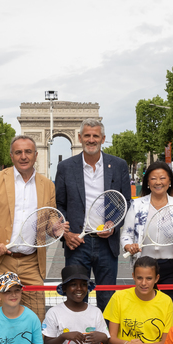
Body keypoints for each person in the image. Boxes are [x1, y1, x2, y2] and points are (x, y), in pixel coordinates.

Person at [0, 135, 63, 319]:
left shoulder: (47, 185)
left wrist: (56, 228)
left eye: (28, 152)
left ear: (36, 155)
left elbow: (50, 215)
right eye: (18, 152)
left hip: (31, 263)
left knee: (36, 320)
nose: (23, 156)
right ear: (11, 156)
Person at [55, 118, 130, 312]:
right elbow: (59, 205)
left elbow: (126, 203)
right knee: (77, 299)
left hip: (107, 243)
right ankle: (79, 340)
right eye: (87, 135)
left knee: (108, 299)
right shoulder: (65, 167)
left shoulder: (119, 165)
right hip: (77, 242)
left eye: (95, 136)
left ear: (103, 138)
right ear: (79, 138)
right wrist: (66, 233)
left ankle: (106, 341)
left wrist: (114, 225)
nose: (91, 139)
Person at [121, 161, 173, 321]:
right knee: (145, 311)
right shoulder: (136, 205)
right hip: (145, 267)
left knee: (171, 313)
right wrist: (128, 245)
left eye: (162, 178)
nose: (158, 182)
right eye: (153, 178)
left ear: (169, 182)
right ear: (147, 181)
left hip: (172, 268)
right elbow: (126, 233)